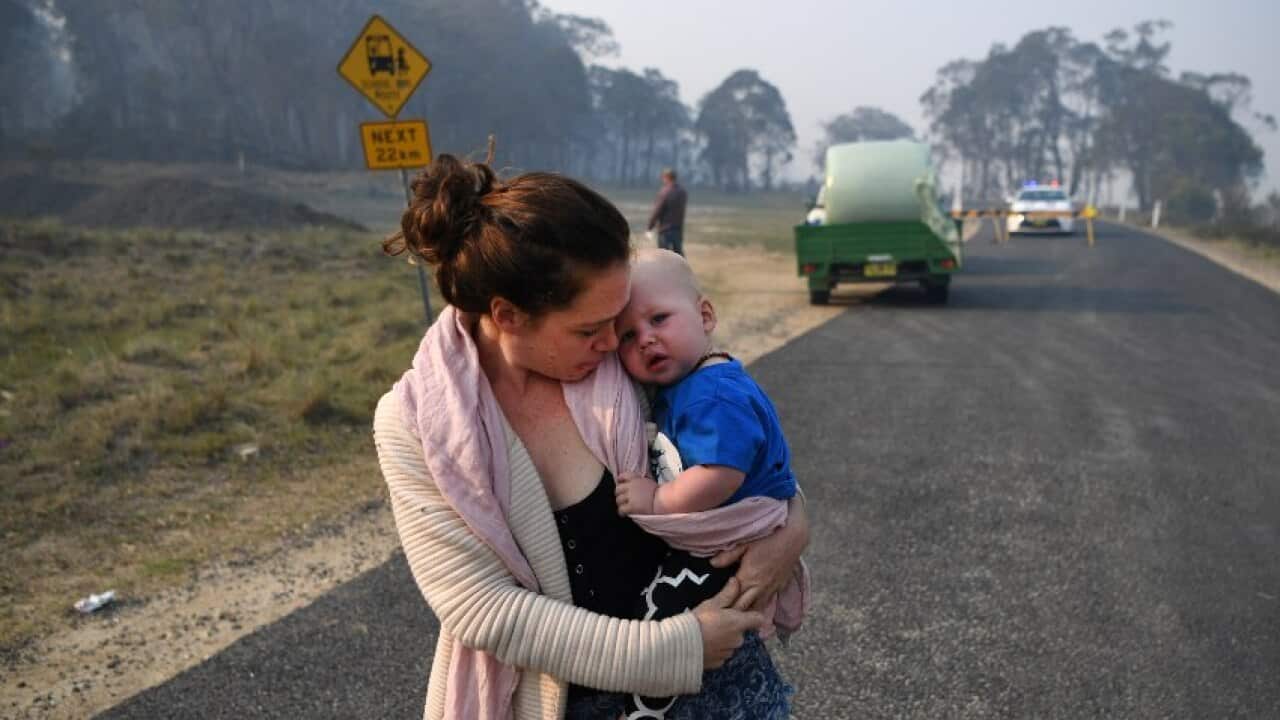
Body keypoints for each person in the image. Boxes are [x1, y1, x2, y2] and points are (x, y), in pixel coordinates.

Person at [373, 154, 809, 720]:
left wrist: (793, 527)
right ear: (507, 315)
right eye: (589, 329)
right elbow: (480, 607)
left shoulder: (624, 361)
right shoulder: (418, 424)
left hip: (729, 690)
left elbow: (743, 452)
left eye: (617, 319)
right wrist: (678, 650)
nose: (613, 343)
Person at [612, 248, 808, 719]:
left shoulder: (712, 394)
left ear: (705, 316)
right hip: (742, 522)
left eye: (659, 319)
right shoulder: (691, 384)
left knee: (674, 607)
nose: (646, 339)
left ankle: (646, 702)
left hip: (740, 529)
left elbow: (720, 475)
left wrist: (657, 499)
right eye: (628, 335)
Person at [647, 168, 688, 256]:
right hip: (678, 228)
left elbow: (657, 211)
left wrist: (650, 227)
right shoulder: (682, 192)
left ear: (666, 177)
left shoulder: (665, 192)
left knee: (664, 256)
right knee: (679, 255)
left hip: (665, 229)